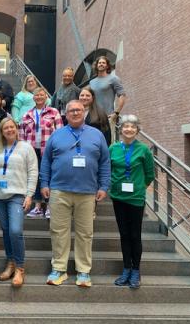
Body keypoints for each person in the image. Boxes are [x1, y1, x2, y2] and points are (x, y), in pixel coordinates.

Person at [41, 100, 110, 288]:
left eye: (79, 110)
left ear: (84, 111)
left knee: (85, 233)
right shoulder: (57, 135)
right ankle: (59, 269)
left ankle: (83, 271)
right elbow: (46, 161)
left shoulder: (97, 135)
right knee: (58, 231)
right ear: (66, 114)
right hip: (59, 190)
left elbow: (104, 162)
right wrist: (44, 183)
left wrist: (104, 186)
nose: (75, 113)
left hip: (87, 192)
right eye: (71, 110)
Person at [0, 118, 38, 287]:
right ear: (1, 132)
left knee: (15, 231)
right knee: (6, 230)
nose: (9, 130)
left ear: (16, 129)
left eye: (11, 127)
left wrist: (30, 195)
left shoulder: (26, 148)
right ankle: (10, 263)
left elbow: (33, 172)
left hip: (17, 195)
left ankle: (20, 267)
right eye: (5, 128)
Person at [109, 115, 154, 289]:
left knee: (135, 235)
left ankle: (136, 270)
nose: (129, 129)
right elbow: (108, 169)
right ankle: (126, 268)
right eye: (126, 126)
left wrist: (140, 188)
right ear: (121, 130)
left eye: (132, 127)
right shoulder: (113, 148)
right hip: (118, 197)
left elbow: (150, 174)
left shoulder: (143, 150)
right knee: (124, 234)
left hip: (135, 198)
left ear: (137, 130)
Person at [20, 87, 63, 219]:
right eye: (36, 95)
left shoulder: (54, 112)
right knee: (36, 177)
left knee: (49, 176)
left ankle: (49, 206)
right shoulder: (27, 115)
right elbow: (21, 135)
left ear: (46, 97)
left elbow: (60, 132)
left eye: (41, 95)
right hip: (32, 151)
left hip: (49, 151)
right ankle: (38, 206)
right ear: (33, 98)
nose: (39, 97)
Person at [89, 56, 126, 142]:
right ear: (96, 65)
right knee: (93, 142)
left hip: (108, 117)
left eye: (103, 63)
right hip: (93, 117)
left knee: (108, 143)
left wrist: (116, 113)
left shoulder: (113, 79)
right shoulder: (91, 82)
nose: (101, 64)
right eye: (99, 63)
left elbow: (122, 95)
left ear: (107, 66)